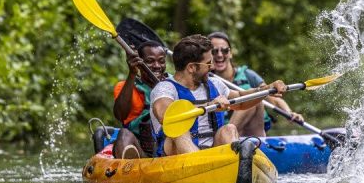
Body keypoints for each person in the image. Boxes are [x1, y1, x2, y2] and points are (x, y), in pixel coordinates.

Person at [150, 34, 289, 156]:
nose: (212, 67)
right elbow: (165, 116)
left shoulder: (215, 84)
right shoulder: (165, 89)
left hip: (214, 154)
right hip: (177, 157)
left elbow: (241, 100)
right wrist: (209, 105)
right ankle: (202, 167)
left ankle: (234, 165)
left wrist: (267, 89)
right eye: (208, 63)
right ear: (192, 67)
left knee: (229, 129)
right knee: (180, 133)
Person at [208, 31, 303, 138]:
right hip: (222, 134)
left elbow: (273, 98)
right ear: (208, 55)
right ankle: (226, 138)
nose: (220, 55)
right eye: (214, 51)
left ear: (230, 53)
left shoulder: (248, 75)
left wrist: (289, 113)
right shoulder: (206, 80)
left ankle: (247, 144)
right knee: (252, 99)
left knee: (254, 99)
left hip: (252, 131)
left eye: (225, 50)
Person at [111, 41, 168, 158]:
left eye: (161, 61)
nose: (157, 66)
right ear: (139, 63)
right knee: (124, 134)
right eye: (150, 61)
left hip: (169, 148)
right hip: (141, 150)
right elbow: (120, 116)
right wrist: (132, 73)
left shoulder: (174, 83)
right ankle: (127, 169)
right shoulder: (126, 86)